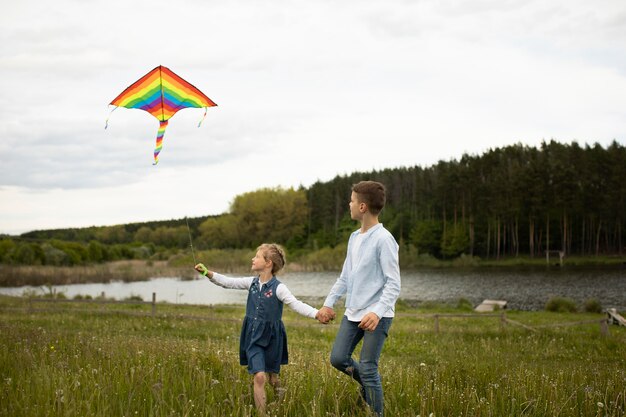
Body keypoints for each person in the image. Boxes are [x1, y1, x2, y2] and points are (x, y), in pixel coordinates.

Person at [194, 243, 331, 415]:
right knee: (259, 376)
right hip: (253, 336)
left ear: (268, 263)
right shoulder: (250, 283)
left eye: (257, 256)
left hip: (273, 337)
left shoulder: (279, 288)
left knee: (273, 379)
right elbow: (228, 282)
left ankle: (282, 402)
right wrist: (208, 273)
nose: (253, 258)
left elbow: (296, 304)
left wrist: (317, 313)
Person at [318, 180, 401, 417]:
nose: (349, 204)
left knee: (367, 366)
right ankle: (369, 383)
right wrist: (328, 303)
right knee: (338, 358)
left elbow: (394, 283)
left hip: (377, 315)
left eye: (352, 200)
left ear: (362, 207)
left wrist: (377, 312)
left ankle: (376, 411)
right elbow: (345, 276)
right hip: (353, 312)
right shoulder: (354, 237)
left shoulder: (384, 239)